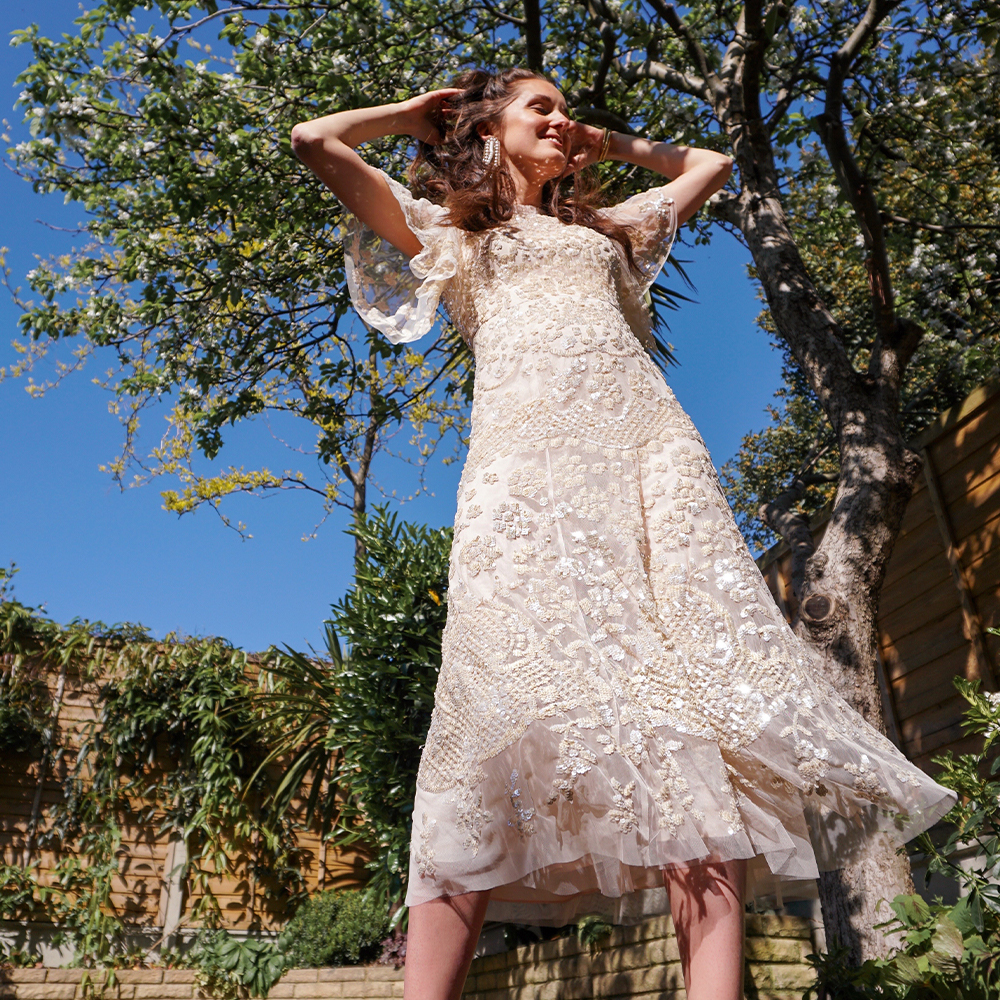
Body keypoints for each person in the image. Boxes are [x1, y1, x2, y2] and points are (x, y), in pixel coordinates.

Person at [290, 68, 956, 1000]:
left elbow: (712, 162)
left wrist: (606, 144)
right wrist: (413, 116)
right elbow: (317, 141)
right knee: (484, 726)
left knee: (688, 727)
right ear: (486, 129)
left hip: (650, 472)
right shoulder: (451, 232)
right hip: (525, 491)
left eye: (566, 109)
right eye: (541, 108)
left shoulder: (609, 232)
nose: (561, 120)